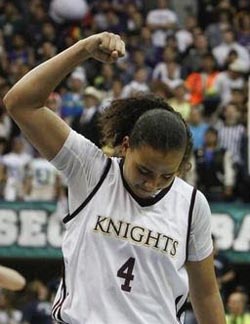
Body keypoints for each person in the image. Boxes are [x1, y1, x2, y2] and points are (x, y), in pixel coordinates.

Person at [3, 32, 226, 323]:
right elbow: (21, 103)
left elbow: (206, 293)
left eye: (166, 176)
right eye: (144, 170)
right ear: (125, 146)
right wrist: (83, 49)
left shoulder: (193, 203)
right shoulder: (91, 169)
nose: (152, 183)